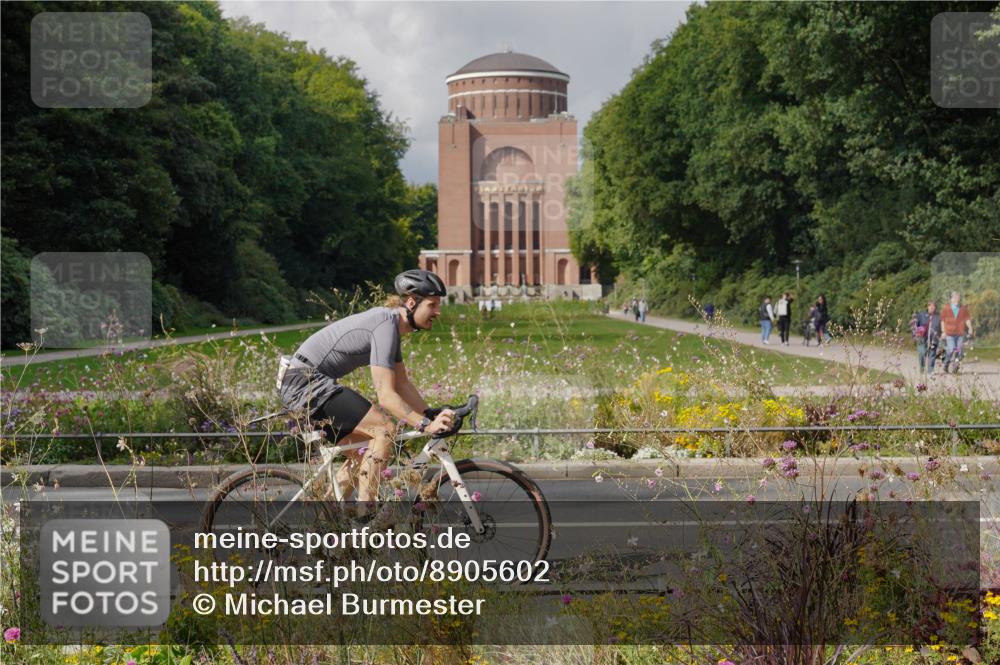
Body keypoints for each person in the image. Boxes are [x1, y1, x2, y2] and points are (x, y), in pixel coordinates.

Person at [279, 269, 456, 514]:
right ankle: (367, 517)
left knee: (365, 451)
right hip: (306, 383)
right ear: (412, 302)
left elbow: (402, 384)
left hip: (307, 384)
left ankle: (329, 516)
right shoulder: (385, 325)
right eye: (433, 304)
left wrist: (429, 413)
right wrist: (425, 424)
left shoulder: (390, 327)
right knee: (384, 430)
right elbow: (387, 395)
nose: (438, 312)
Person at [940, 291, 973, 372]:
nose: (957, 299)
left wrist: (970, 328)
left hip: (959, 334)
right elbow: (942, 321)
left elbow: (967, 319)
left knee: (958, 350)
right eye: (955, 297)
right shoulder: (946, 308)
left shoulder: (963, 309)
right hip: (949, 333)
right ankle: (946, 363)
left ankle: (955, 366)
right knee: (951, 350)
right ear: (951, 299)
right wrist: (943, 331)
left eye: (958, 298)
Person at [911, 300, 941, 373]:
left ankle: (930, 370)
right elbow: (915, 325)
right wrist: (915, 335)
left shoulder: (938, 317)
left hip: (934, 338)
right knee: (922, 353)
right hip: (922, 338)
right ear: (927, 307)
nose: (932, 307)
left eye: (933, 306)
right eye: (930, 306)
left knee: (932, 354)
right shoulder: (921, 315)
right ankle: (922, 367)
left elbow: (941, 327)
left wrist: (941, 335)